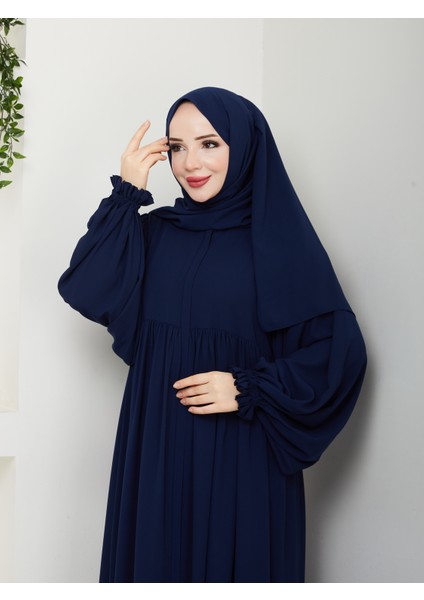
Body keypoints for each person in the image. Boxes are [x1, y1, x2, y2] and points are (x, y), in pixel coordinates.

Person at [58, 86, 367, 583]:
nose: (190, 164)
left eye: (209, 144)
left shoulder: (280, 245)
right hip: (155, 450)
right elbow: (86, 287)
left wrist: (247, 387)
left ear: (244, 146)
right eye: (177, 147)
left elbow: (339, 353)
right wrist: (127, 193)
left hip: (241, 461)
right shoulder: (156, 233)